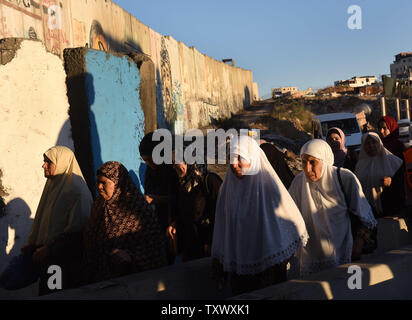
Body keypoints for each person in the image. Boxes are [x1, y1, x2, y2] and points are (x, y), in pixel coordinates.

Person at [211, 135, 309, 296]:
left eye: (240, 158)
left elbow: (293, 225)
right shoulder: (228, 189)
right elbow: (222, 227)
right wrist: (218, 259)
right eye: (231, 158)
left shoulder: (269, 188)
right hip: (240, 273)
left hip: (270, 274)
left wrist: (275, 260)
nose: (234, 164)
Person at [0, 146, 93, 295]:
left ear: (62, 163)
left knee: (55, 292)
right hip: (48, 258)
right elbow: (45, 219)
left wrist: (49, 249)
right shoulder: (54, 184)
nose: (43, 165)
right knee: (48, 291)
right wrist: (33, 244)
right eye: (44, 161)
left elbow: (78, 232)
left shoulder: (77, 192)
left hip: (63, 260)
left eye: (48, 162)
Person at [288, 139, 377, 277]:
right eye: (303, 162)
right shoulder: (299, 183)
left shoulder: (345, 178)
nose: (307, 169)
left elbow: (365, 214)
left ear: (324, 160)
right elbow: (288, 216)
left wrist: (359, 242)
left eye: (313, 162)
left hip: (344, 251)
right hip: (311, 256)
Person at [79, 161, 168, 286]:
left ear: (118, 184)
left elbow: (154, 248)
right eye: (97, 182)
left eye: (103, 183)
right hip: (99, 281)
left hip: (132, 283)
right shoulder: (98, 205)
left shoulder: (138, 208)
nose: (99, 187)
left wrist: (130, 256)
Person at [168, 149, 222, 263]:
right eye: (172, 163)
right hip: (190, 246)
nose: (174, 166)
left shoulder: (210, 181)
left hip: (208, 244)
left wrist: (211, 241)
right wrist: (175, 223)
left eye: (177, 161)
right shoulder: (182, 184)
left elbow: (220, 213)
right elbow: (182, 210)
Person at [139, 132, 178, 263]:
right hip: (159, 221)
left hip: (175, 220)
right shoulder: (151, 170)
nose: (149, 164)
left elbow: (180, 198)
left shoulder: (174, 168)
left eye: (151, 159)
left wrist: (156, 199)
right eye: (145, 161)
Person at [355, 132, 404, 218]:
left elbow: (403, 184)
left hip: (392, 209)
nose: (371, 145)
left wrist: (391, 182)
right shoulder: (360, 166)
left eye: (374, 142)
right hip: (369, 211)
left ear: (379, 143)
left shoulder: (394, 161)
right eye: (367, 143)